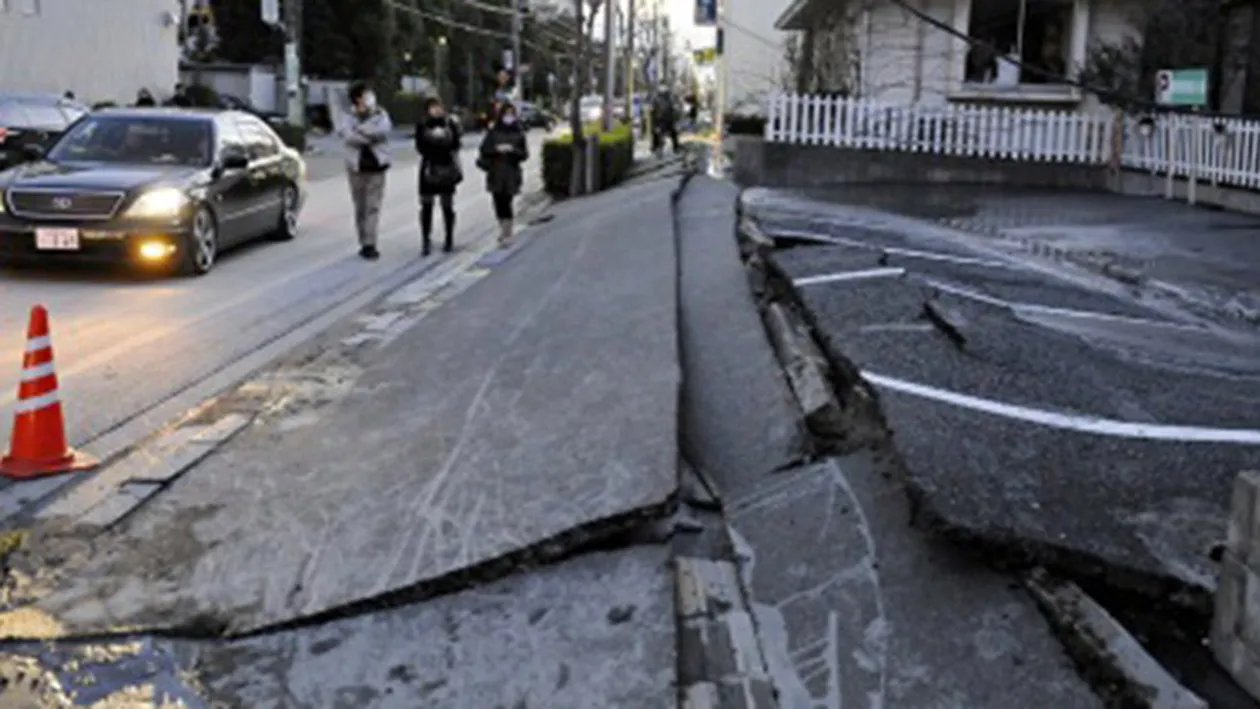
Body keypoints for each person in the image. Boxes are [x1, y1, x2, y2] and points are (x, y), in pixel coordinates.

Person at [338, 81, 393, 260]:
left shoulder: (380, 114)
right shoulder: (347, 116)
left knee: (373, 206)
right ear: (358, 98)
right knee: (360, 206)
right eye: (365, 94)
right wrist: (369, 135)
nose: (370, 97)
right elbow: (349, 136)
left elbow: (383, 130)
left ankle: (370, 243)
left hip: (377, 166)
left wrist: (361, 131)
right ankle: (363, 241)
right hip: (356, 167)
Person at [415, 96, 463, 256]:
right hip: (429, 166)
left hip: (447, 165)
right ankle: (425, 239)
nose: (436, 110)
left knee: (447, 205)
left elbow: (456, 144)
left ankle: (449, 238)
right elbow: (420, 147)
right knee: (426, 205)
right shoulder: (422, 124)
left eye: (439, 107)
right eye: (432, 107)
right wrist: (433, 138)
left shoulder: (450, 123)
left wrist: (445, 137)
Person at [477, 102, 528, 248]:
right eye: (506, 114)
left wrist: (512, 150)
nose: (509, 117)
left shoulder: (519, 132)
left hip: (511, 172)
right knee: (498, 201)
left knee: (507, 201)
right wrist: (496, 150)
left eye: (511, 114)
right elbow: (484, 149)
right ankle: (502, 228)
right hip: (495, 171)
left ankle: (508, 231)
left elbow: (524, 154)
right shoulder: (493, 132)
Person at [651, 90, 679, 154]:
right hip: (667, 121)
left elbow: (653, 111)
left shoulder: (656, 99)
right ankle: (676, 147)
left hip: (660, 121)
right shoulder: (670, 100)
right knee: (674, 134)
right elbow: (674, 111)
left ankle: (655, 147)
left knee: (655, 133)